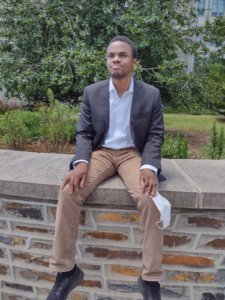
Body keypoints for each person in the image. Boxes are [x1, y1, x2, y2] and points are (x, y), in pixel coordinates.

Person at [47, 36, 164, 300]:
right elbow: (84, 133)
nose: (116, 59)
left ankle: (150, 279)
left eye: (122, 55)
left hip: (132, 154)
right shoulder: (93, 92)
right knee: (68, 191)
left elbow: (156, 135)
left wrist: (148, 167)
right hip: (100, 153)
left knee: (151, 199)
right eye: (111, 55)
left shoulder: (151, 94)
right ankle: (65, 271)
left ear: (134, 61)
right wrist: (81, 163)